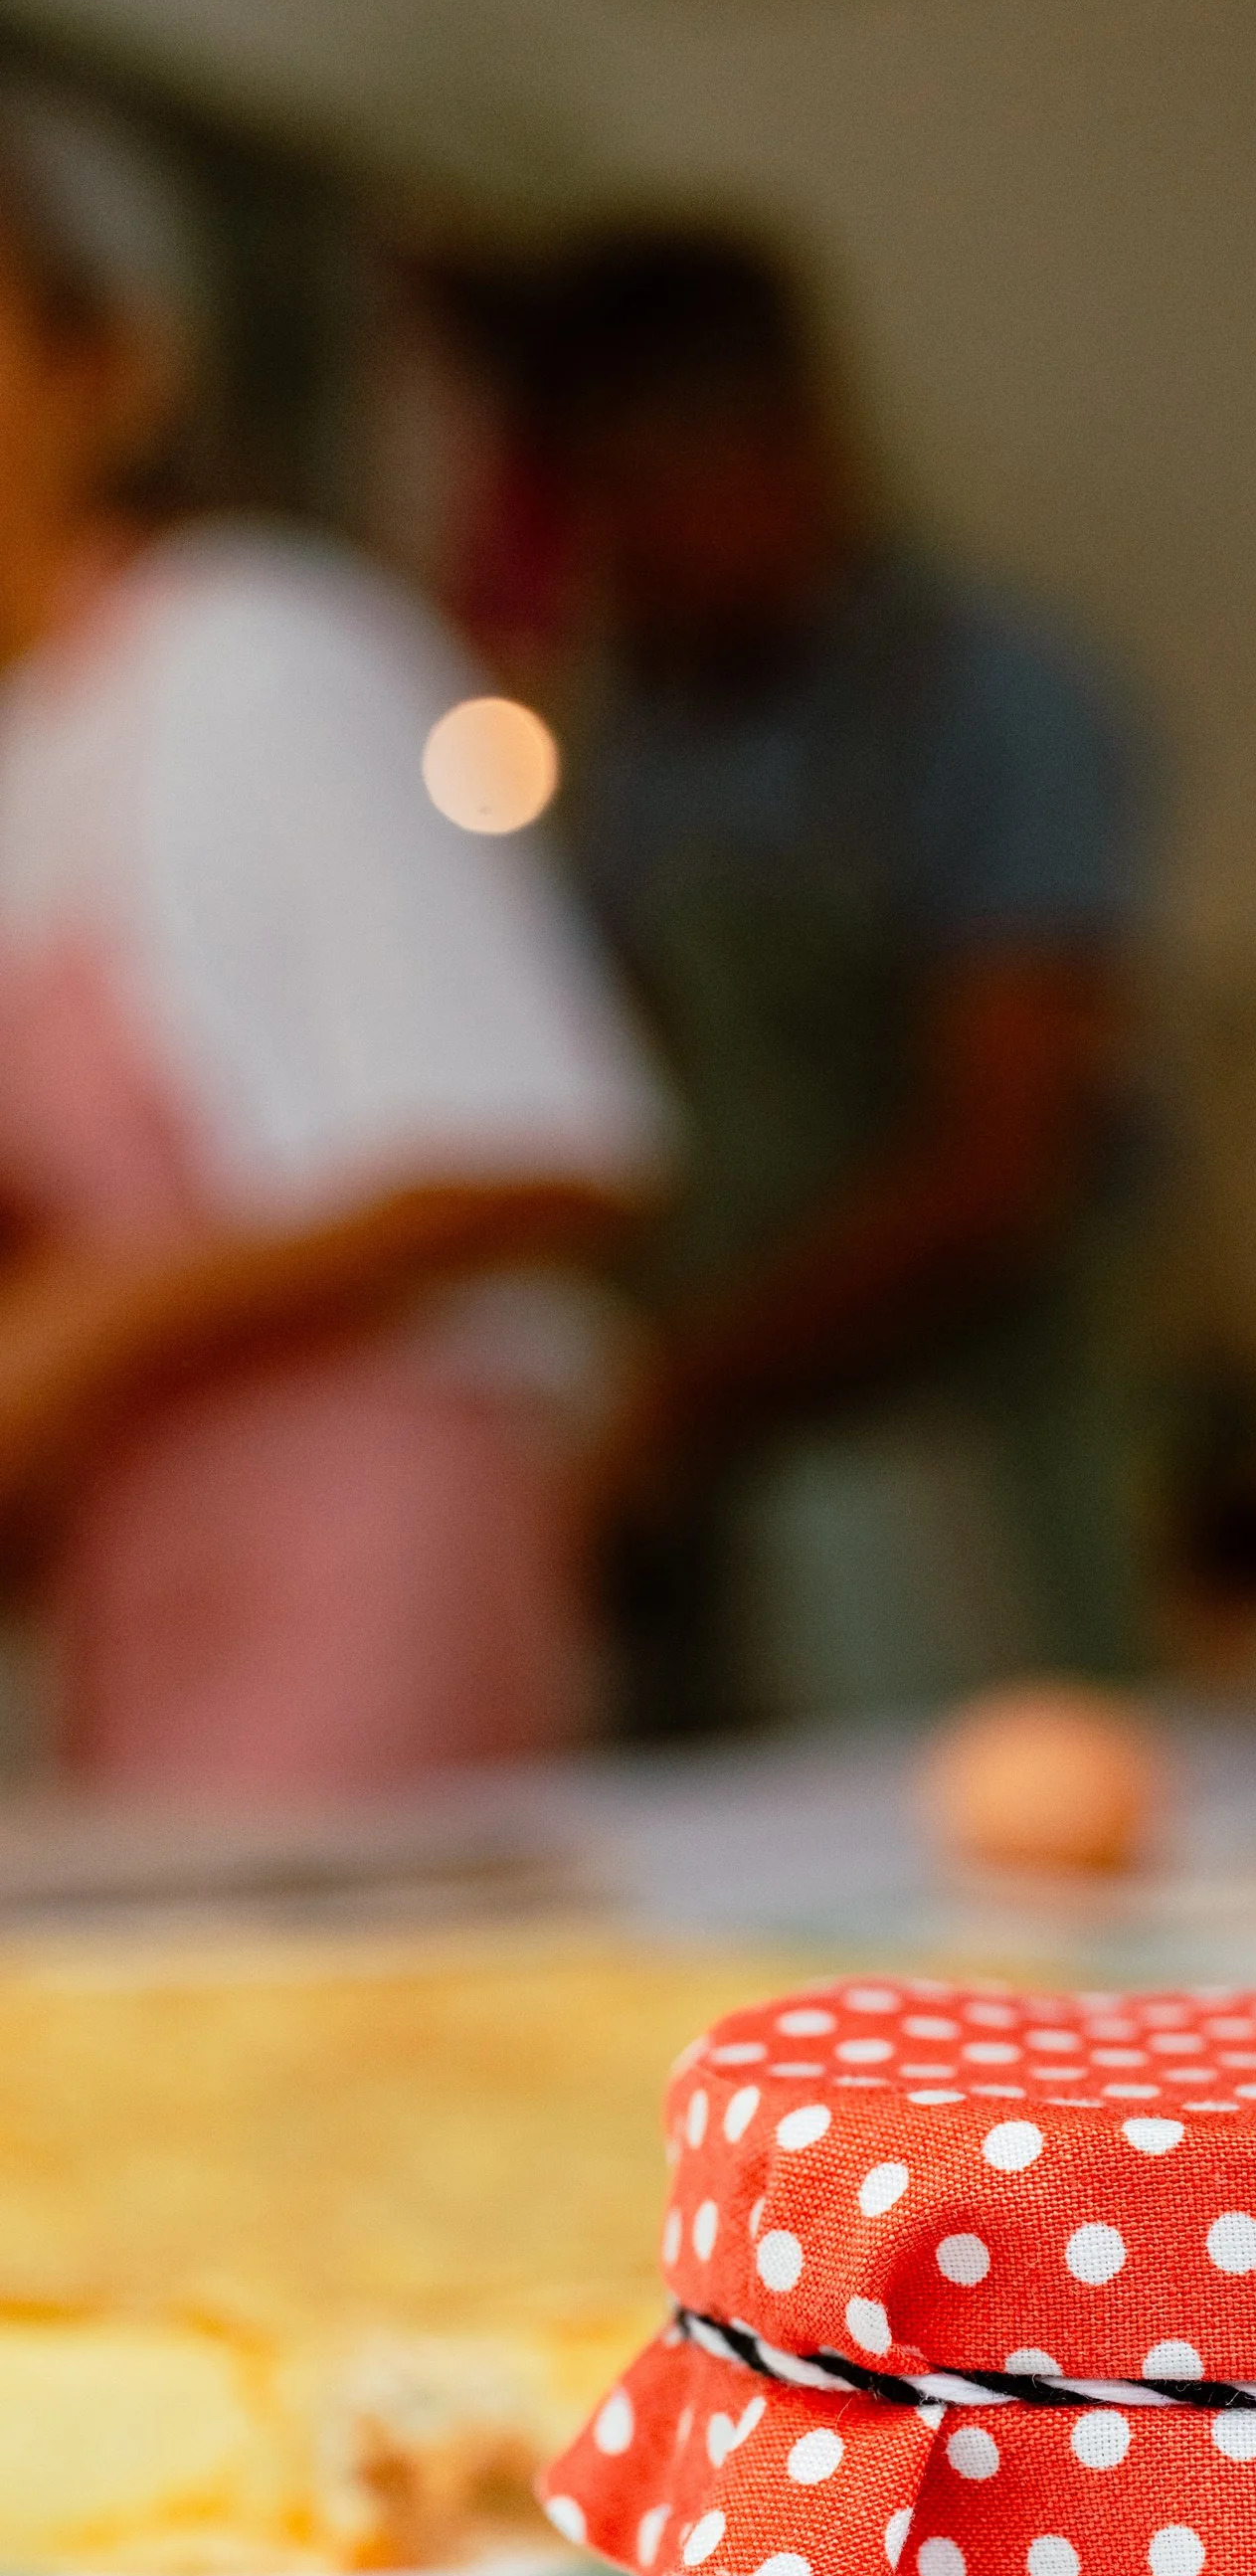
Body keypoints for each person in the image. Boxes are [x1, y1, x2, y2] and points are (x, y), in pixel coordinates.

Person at [0, 89, 670, 1795]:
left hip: (370, 1530)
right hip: (136, 1554)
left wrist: (85, 1326)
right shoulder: (29, 745)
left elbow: (552, 1147)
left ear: (115, 365)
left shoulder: (269, 651)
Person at [519, 222, 1155, 1731]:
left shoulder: (997, 704)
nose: (627, 552)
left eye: (656, 495)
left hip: (949, 1465)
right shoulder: (638, 733)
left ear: (793, 446)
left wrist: (684, 1380)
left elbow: (998, 1162)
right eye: (595, 505)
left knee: (983, 1890)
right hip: (709, 1484)